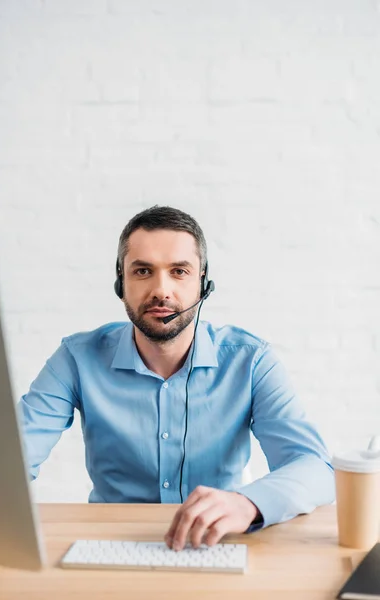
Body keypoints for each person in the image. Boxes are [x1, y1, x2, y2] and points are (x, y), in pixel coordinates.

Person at [19, 205, 335, 552]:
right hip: (111, 545)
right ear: (120, 282)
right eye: (142, 271)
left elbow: (315, 467)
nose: (161, 290)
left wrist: (249, 504)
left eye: (179, 271)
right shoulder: (77, 358)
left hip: (216, 544)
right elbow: (12, 458)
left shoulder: (250, 359)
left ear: (204, 282)